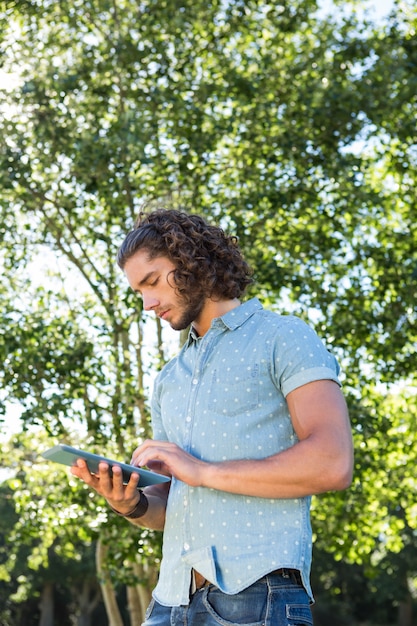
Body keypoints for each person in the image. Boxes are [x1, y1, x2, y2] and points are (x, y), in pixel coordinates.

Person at [71, 208, 354, 626]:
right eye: (138, 292)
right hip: (169, 603)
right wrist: (131, 503)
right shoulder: (169, 379)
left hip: (258, 601)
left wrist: (201, 471)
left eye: (151, 282)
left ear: (191, 261)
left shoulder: (284, 337)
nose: (147, 303)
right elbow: (170, 504)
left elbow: (332, 463)